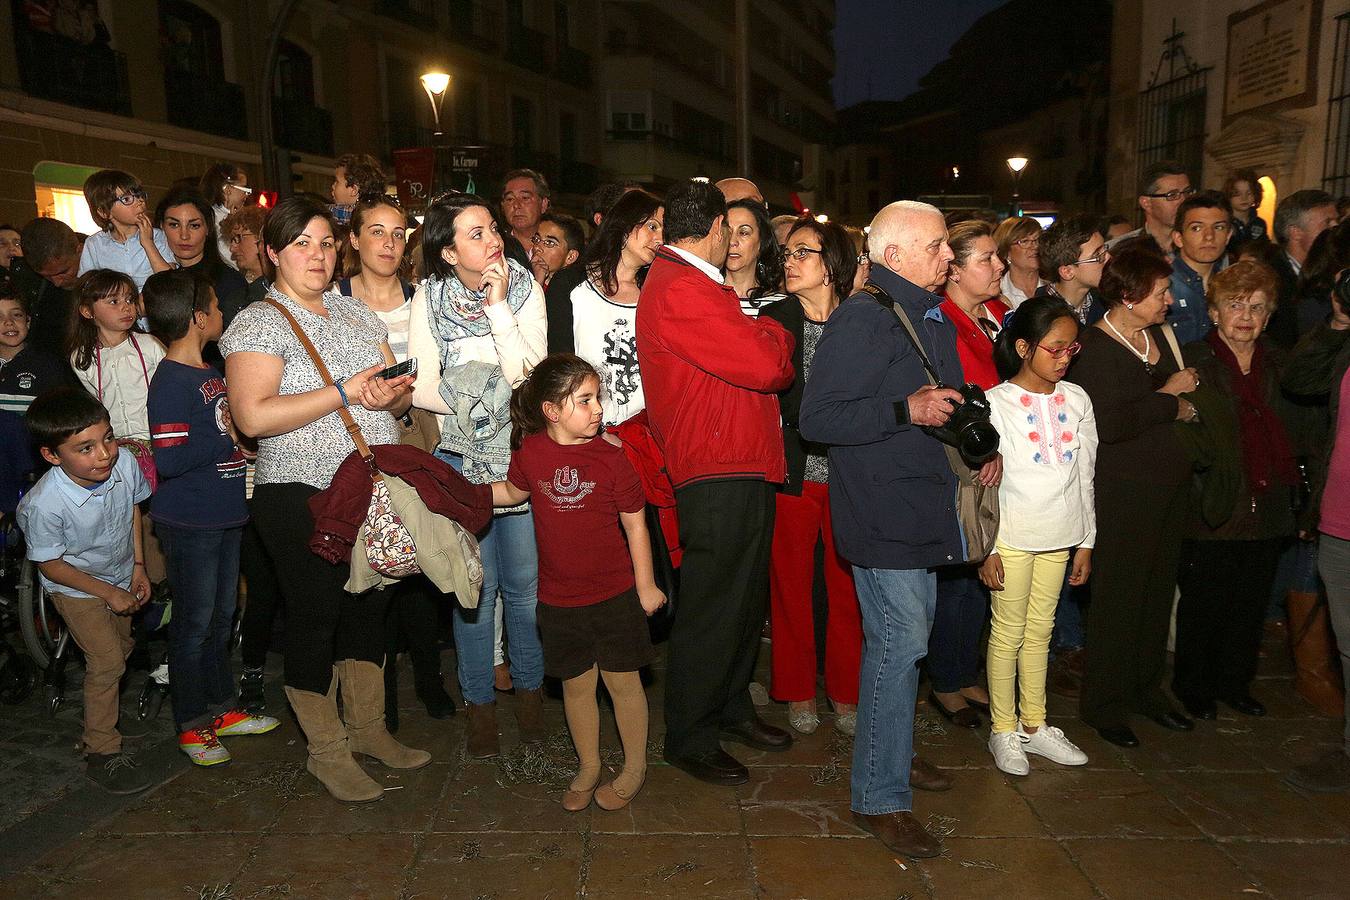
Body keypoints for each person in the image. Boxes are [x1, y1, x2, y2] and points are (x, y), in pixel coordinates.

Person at [801, 200, 994, 859]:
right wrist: (902, 408)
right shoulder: (864, 316)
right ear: (897, 255)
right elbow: (818, 418)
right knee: (897, 645)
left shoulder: (928, 313)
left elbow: (938, 399)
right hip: (883, 512)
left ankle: (894, 755)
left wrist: (972, 434)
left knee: (904, 645)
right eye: (939, 245)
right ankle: (879, 797)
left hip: (920, 507)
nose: (949, 256)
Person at [221, 195, 429, 804]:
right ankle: (326, 751)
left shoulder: (357, 316)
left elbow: (393, 400)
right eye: (301, 244)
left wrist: (390, 395)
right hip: (298, 490)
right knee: (316, 615)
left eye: (324, 243)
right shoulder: (260, 321)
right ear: (273, 253)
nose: (316, 255)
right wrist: (344, 392)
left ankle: (368, 731)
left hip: (368, 485)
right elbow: (253, 417)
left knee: (370, 610)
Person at [635, 178, 795, 786]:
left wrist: (761, 335)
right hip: (715, 466)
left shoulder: (695, 283)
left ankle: (729, 709)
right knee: (711, 608)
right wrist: (775, 332)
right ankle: (689, 735)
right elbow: (767, 365)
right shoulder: (681, 286)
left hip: (741, 460)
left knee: (740, 602)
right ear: (717, 230)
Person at [406, 192, 548, 759]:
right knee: (473, 591)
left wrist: (497, 308)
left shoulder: (524, 287)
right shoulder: (428, 298)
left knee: (526, 587)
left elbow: (531, 375)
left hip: (518, 455)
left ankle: (533, 696)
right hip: (459, 462)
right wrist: (485, 397)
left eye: (491, 229)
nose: (493, 241)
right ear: (447, 252)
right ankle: (479, 707)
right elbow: (418, 383)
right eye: (475, 234)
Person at [493, 354, 666, 811]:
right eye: (585, 400)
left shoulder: (612, 458)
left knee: (623, 682)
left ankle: (634, 767)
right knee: (575, 685)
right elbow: (513, 492)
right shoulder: (531, 452)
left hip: (613, 595)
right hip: (558, 598)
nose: (598, 409)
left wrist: (645, 586)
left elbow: (636, 525)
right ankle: (588, 765)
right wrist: (464, 495)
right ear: (552, 411)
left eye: (597, 399)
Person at [1066, 247, 1200, 748]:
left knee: (1155, 594)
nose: (1170, 299)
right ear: (1128, 294)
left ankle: (1146, 690)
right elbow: (1109, 425)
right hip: (1121, 496)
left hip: (1168, 489)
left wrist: (1175, 400)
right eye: (1161, 290)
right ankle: (1104, 704)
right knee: (1118, 601)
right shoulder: (1095, 348)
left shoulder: (1158, 336)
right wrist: (1168, 399)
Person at [142, 270, 277, 766]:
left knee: (223, 616)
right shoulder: (172, 383)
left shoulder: (212, 372)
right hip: (190, 521)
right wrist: (230, 436)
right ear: (198, 318)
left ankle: (221, 709)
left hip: (224, 514)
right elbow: (171, 458)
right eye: (217, 307)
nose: (223, 314)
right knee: (193, 624)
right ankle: (191, 721)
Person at [336, 195, 455, 726]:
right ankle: (375, 697)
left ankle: (429, 679)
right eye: (376, 231)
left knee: (422, 560)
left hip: (420, 437)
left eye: (397, 232)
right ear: (354, 239)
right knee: (369, 566)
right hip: (354, 443)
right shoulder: (335, 301)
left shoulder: (425, 298)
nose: (388, 242)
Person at [1173, 260, 1296, 721]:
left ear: (1269, 316)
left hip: (1267, 502)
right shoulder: (1193, 361)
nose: (1245, 315)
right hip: (1211, 501)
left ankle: (1235, 683)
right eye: (1235, 304)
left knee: (1250, 604)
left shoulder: (1283, 364)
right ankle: (1194, 686)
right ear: (1214, 311)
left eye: (1257, 307)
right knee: (1205, 602)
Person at [15, 388, 153, 794]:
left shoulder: (124, 463)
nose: (105, 454)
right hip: (74, 587)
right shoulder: (44, 504)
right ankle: (101, 750)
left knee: (121, 650)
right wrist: (108, 594)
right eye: (86, 448)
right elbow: (50, 563)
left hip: (121, 573)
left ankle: (102, 711)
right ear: (52, 456)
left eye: (108, 438)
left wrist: (139, 567)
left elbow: (133, 509)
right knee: (108, 661)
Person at [980, 296, 1096, 775]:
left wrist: (1086, 540)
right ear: (1024, 347)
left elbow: (1086, 473)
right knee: (1008, 633)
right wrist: (986, 548)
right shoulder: (996, 402)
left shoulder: (1078, 400)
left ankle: (1035, 724)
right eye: (1055, 348)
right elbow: (980, 485)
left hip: (1061, 532)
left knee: (1042, 631)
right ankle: (1003, 729)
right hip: (1011, 535)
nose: (1065, 358)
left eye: (1072, 349)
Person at [759, 219, 861, 736]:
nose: (790, 260)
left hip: (849, 475)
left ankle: (846, 693)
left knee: (847, 588)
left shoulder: (861, 320)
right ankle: (797, 690)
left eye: (804, 251)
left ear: (833, 263)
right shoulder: (774, 318)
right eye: (787, 251)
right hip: (793, 473)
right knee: (790, 587)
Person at [926, 220, 1009, 727]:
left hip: (1007, 458)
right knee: (961, 568)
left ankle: (966, 670)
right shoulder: (942, 323)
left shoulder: (999, 315)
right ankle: (945, 680)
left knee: (986, 571)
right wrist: (981, 448)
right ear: (953, 270)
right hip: (966, 461)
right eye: (985, 258)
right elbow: (953, 396)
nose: (999, 266)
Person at [1282, 268, 1350, 793]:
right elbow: (1299, 380)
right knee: (1347, 643)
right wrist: (1337, 322)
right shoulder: (1343, 343)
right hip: (1338, 517)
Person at [572, 190, 664, 426]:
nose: (659, 239)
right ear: (624, 224)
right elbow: (557, 360)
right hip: (580, 427)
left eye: (664, 231)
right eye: (652, 227)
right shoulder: (573, 285)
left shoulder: (657, 296)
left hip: (642, 433)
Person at [67, 269, 164, 446]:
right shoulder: (81, 357)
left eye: (129, 299)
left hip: (155, 438)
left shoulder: (150, 344)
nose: (126, 307)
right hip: (116, 443)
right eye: (114, 301)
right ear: (88, 311)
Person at [155, 187, 249, 327]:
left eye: (194, 226)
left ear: (208, 229)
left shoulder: (229, 282)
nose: (184, 235)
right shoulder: (147, 274)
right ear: (161, 227)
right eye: (174, 225)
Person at [77, 169, 172, 291]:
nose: (140, 202)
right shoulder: (95, 244)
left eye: (140, 196)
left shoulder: (159, 236)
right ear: (104, 212)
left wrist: (148, 243)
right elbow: (86, 288)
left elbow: (169, 283)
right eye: (126, 199)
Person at [1267, 189, 1340, 347]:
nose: (1335, 228)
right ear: (1296, 232)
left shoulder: (1337, 274)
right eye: (1327, 222)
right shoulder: (1268, 280)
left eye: (1337, 221)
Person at [0, 281, 74, 416]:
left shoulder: (47, 365)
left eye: (16, 315)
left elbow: (60, 415)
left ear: (28, 322)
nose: (9, 322)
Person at [1168, 191, 1232, 344]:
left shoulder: (1233, 285)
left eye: (1218, 228)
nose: (1209, 236)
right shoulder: (1162, 285)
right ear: (1178, 238)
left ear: (1228, 236)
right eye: (1197, 228)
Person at [1107, 160, 1194, 260]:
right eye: (1172, 195)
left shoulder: (1202, 246)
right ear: (1146, 203)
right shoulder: (1118, 252)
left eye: (1187, 192)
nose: (1183, 200)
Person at [19, 218, 81, 357]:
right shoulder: (28, 283)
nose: (56, 283)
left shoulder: (109, 265)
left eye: (63, 272)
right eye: (46, 276)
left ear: (80, 250)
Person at [723, 199, 785, 317]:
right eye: (727, 232)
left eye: (744, 233)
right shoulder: (703, 296)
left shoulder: (782, 305)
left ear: (762, 242)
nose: (732, 241)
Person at [199, 162, 251, 270]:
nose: (247, 195)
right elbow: (230, 256)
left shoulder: (229, 215)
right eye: (245, 189)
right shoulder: (211, 219)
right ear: (227, 190)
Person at [992, 216, 1043, 308]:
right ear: (1006, 252)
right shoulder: (996, 293)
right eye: (1024, 241)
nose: (1035, 246)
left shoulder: (1054, 288)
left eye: (1037, 240)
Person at [529, 212, 584, 288]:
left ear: (571, 256)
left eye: (549, 242)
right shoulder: (519, 278)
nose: (537, 247)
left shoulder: (578, 293)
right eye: (537, 239)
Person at [331, 153, 386, 226]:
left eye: (337, 181)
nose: (333, 186)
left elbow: (326, 211)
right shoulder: (381, 210)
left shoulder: (350, 214)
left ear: (354, 190)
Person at [501, 168, 550, 247]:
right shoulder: (496, 246)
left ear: (543, 204)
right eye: (510, 199)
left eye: (525, 198)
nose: (516, 205)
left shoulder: (559, 249)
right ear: (503, 206)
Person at [221, 205, 268, 287]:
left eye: (238, 238)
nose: (232, 248)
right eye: (232, 240)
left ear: (261, 236)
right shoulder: (233, 285)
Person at [1224, 169, 1268, 255]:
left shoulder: (1259, 223)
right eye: (1237, 194)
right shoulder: (1225, 222)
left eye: (1249, 193)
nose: (1244, 198)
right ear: (1229, 196)